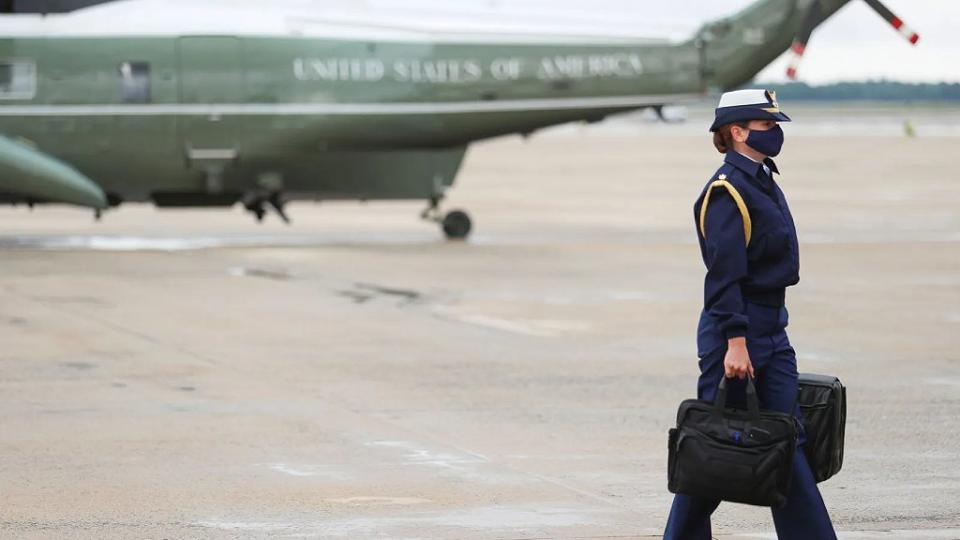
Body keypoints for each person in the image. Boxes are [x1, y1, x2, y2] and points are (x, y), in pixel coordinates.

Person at [662, 89, 837, 540]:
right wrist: (736, 343)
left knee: (787, 440)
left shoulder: (760, 179)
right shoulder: (727, 191)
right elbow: (723, 277)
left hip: (770, 327)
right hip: (736, 332)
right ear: (737, 132)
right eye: (765, 125)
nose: (775, 132)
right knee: (713, 443)